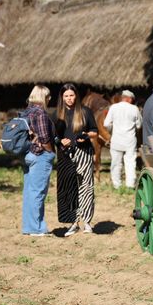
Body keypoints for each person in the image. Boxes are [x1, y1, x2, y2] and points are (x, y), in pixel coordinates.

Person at [54, 83, 98, 237]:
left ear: (76, 96)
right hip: (66, 155)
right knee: (70, 189)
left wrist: (85, 136)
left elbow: (95, 131)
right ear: (62, 97)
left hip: (84, 153)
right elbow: (53, 136)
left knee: (86, 187)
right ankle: (73, 222)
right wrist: (60, 142)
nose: (69, 99)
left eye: (71, 95)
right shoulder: (58, 114)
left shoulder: (85, 111)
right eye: (66, 96)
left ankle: (87, 222)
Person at [21, 86, 56, 236]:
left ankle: (30, 227)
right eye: (47, 97)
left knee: (29, 193)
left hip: (28, 155)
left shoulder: (26, 112)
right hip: (40, 155)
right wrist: (50, 152)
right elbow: (44, 137)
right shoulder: (40, 112)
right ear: (43, 97)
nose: (49, 99)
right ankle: (36, 228)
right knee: (38, 193)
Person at [104, 89, 142, 189]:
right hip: (130, 140)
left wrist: (111, 131)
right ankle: (130, 185)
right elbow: (139, 125)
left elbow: (106, 124)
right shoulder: (134, 109)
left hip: (116, 140)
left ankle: (117, 185)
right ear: (129, 99)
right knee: (130, 163)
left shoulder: (113, 107)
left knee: (116, 163)